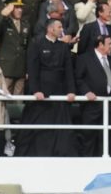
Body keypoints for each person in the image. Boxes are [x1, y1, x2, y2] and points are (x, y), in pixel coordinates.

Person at [19, 19, 77, 157]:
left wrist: (71, 91)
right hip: (41, 92)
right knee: (37, 127)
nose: (61, 29)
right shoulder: (36, 43)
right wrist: (36, 90)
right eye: (59, 27)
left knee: (62, 128)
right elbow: (32, 69)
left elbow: (69, 71)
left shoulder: (63, 47)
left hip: (59, 91)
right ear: (50, 29)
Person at [76, 35, 111, 158]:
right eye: (109, 44)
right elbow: (78, 79)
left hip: (109, 106)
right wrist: (86, 92)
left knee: (106, 138)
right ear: (100, 45)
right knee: (89, 137)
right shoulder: (85, 59)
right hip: (91, 106)